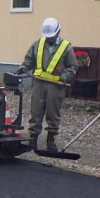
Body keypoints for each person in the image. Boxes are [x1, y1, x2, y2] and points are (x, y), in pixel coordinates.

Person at [16, 17, 78, 152]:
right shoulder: (38, 44)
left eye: (52, 36)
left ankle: (51, 140)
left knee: (53, 113)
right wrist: (23, 67)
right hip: (38, 83)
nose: (49, 38)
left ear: (58, 31)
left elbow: (72, 66)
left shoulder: (66, 47)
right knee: (36, 111)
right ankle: (33, 140)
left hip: (55, 85)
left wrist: (64, 77)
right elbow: (29, 60)